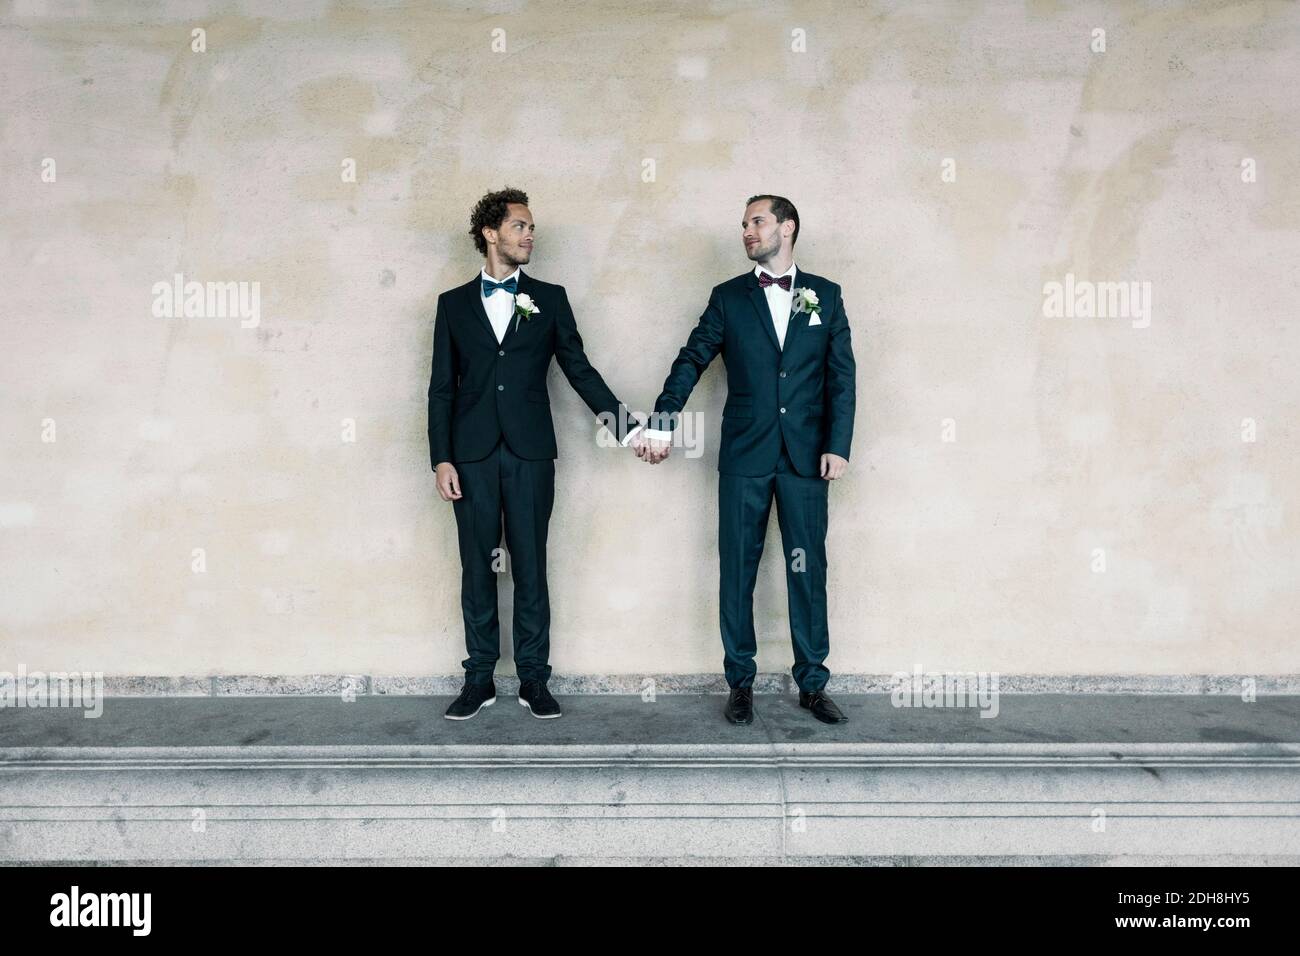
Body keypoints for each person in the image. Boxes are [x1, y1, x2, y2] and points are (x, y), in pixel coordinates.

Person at [428, 187, 645, 720]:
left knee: (531, 565)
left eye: (531, 228)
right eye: (520, 226)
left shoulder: (550, 298)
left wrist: (627, 428)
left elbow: (579, 370)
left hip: (530, 454)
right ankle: (478, 678)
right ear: (490, 232)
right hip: (471, 454)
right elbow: (440, 388)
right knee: (476, 567)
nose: (529, 235)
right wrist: (441, 458)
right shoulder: (452, 305)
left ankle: (534, 678)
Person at [639, 195, 856, 725]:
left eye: (757, 221)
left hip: (807, 458)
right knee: (737, 568)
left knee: (808, 569)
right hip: (744, 455)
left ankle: (812, 683)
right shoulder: (728, 297)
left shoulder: (826, 295)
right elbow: (692, 358)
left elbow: (841, 377)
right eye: (743, 224)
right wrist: (663, 419)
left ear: (788, 227)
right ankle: (740, 682)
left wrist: (837, 444)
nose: (747, 231)